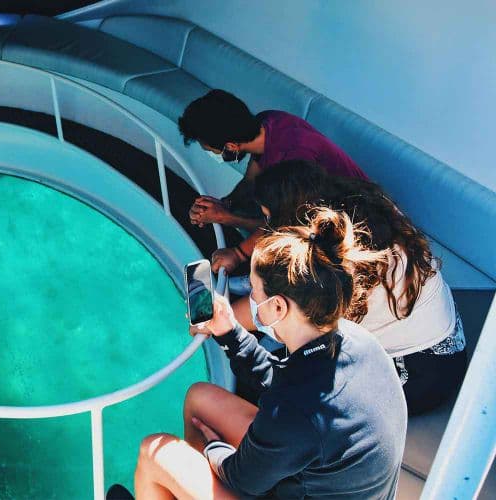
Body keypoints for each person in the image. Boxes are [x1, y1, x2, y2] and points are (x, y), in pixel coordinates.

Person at [129, 208, 407, 499]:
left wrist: (212, 448)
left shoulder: (296, 412)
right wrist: (229, 332)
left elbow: (241, 478)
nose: (249, 298)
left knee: (154, 453)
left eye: (254, 290)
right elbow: (284, 382)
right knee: (201, 397)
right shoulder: (354, 340)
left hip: (280, 478)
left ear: (278, 307)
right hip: (318, 470)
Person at [231, 160, 467, 415]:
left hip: (420, 375)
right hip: (448, 337)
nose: (266, 228)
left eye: (269, 218)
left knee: (284, 396)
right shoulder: (362, 205)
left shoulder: (331, 264)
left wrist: (220, 321)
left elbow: (262, 314)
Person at [178, 89, 368, 273]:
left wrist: (237, 251)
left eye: (212, 151)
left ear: (231, 146)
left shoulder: (294, 159)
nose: (213, 155)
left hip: (357, 221)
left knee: (285, 248)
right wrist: (225, 204)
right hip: (310, 204)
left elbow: (286, 225)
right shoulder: (267, 122)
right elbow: (250, 181)